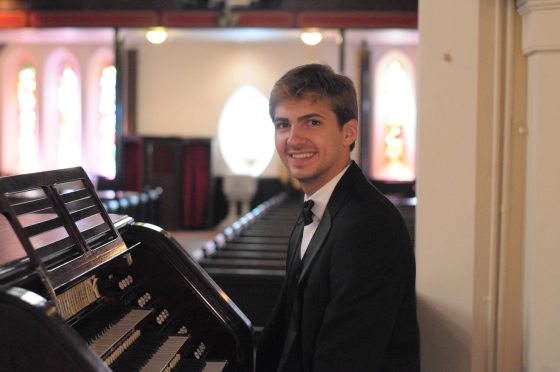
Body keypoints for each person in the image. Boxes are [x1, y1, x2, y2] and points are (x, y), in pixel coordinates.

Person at [256, 63, 420, 372]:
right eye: (283, 124)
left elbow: (346, 359)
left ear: (349, 132)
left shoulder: (369, 225)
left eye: (312, 122)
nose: (293, 139)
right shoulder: (318, 206)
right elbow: (292, 329)